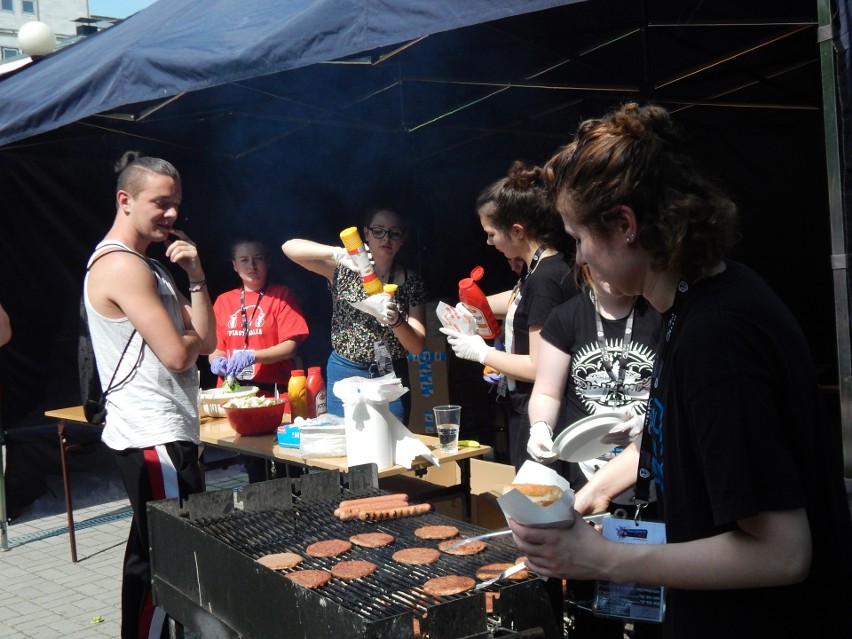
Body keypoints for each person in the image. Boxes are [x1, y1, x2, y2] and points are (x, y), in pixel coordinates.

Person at [509, 103, 852, 637]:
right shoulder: (692, 304)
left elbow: (783, 553)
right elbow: (686, 445)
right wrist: (587, 497)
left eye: (579, 237)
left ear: (624, 224)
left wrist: (600, 559)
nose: (577, 258)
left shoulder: (718, 338)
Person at [84, 151, 216, 639]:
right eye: (161, 203)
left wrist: (198, 276)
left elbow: (207, 342)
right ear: (126, 200)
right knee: (170, 562)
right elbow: (180, 355)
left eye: (176, 204)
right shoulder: (120, 266)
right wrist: (183, 340)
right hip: (152, 434)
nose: (172, 214)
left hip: (168, 429)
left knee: (151, 553)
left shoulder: (151, 267)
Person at [526, 263, 661, 639]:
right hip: (585, 479)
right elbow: (548, 391)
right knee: (591, 609)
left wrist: (646, 423)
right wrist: (540, 425)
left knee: (649, 601)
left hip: (647, 482)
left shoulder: (657, 313)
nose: (603, 274)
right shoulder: (566, 316)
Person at [440, 161, 578, 469]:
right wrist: (473, 306)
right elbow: (518, 301)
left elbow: (538, 368)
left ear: (517, 231)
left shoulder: (546, 279)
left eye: (491, 234)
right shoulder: (538, 269)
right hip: (526, 409)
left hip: (543, 417)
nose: (489, 243)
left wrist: (482, 353)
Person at [282, 208, 426, 422]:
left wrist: (395, 320)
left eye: (394, 233)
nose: (386, 238)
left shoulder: (410, 280)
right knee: (344, 441)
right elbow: (289, 248)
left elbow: (417, 345)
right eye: (378, 231)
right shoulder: (342, 268)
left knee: (394, 442)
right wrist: (337, 253)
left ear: (402, 239)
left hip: (390, 373)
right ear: (366, 234)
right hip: (345, 369)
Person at [208, 238, 309, 482]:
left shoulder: (282, 295)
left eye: (258, 258)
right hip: (240, 401)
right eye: (244, 260)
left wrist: (254, 355)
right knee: (256, 472)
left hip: (278, 398)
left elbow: (291, 345)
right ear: (234, 265)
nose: (251, 265)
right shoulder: (224, 301)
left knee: (289, 467)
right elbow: (215, 347)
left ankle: (296, 513)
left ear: (268, 262)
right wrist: (217, 360)